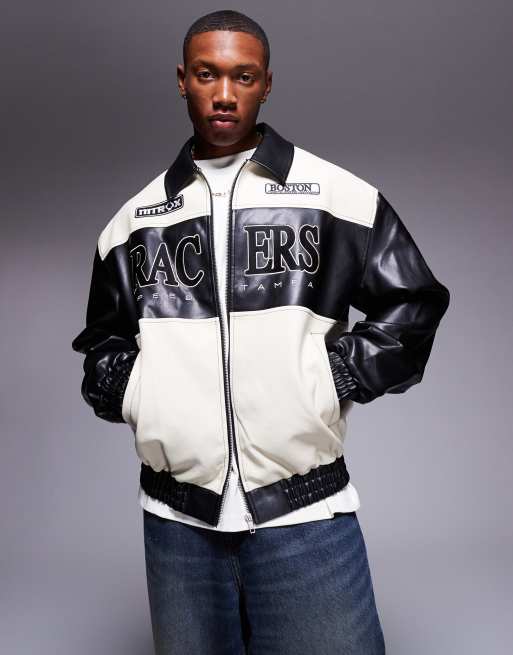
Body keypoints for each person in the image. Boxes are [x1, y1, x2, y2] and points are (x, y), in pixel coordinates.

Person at [71, 9, 450, 654]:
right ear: (182, 80)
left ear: (266, 84)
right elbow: (102, 345)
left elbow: (413, 301)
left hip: (305, 515)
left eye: (243, 77)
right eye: (207, 74)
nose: (224, 94)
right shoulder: (133, 223)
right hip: (177, 524)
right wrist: (139, 393)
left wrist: (332, 377)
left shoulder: (336, 198)